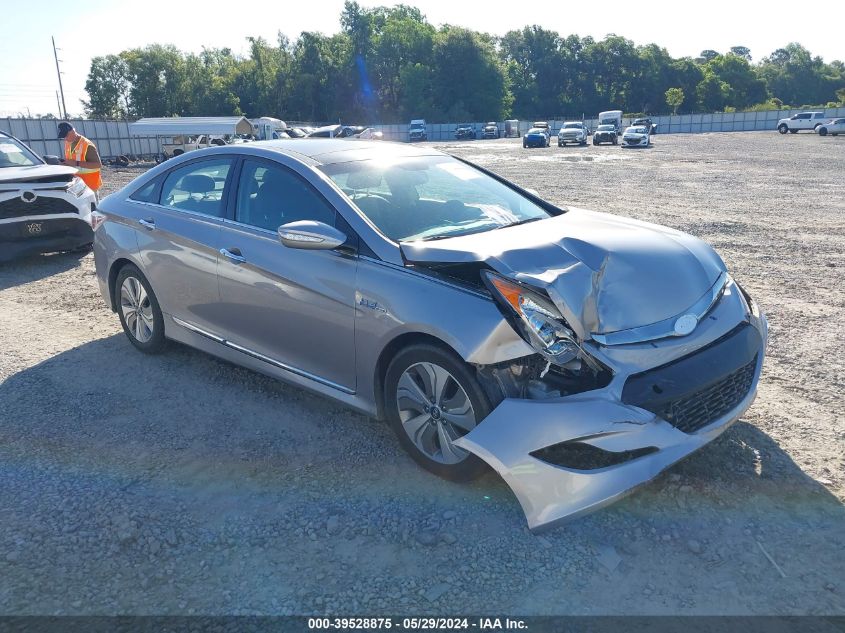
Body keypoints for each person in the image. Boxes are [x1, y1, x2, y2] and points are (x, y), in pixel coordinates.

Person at [57, 121, 102, 195]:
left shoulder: (87, 145)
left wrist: (75, 163)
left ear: (72, 131)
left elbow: (97, 165)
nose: (65, 138)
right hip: (77, 186)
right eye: (63, 137)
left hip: (90, 186)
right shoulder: (68, 143)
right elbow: (71, 160)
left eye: (66, 136)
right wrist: (65, 164)